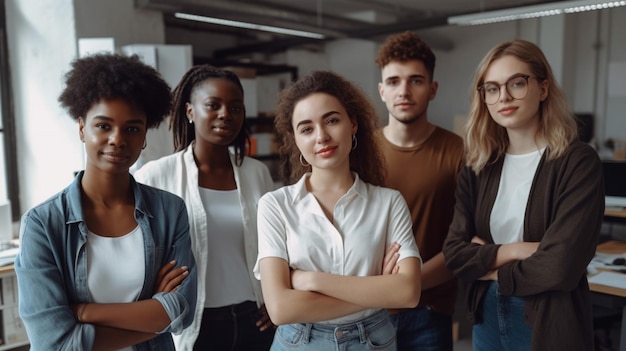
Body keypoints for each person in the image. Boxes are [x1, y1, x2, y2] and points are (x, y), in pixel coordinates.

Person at [14, 53, 197, 350]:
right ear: (82, 128)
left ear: (144, 137)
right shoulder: (43, 224)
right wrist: (153, 315)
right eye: (103, 126)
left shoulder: (169, 211)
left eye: (132, 128)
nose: (117, 139)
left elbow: (181, 310)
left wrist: (84, 313)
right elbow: (54, 341)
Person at [442, 39, 605, 350]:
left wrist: (488, 267)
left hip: (547, 316)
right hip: (486, 313)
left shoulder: (577, 162)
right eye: (491, 88)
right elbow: (454, 252)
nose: (503, 96)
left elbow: (560, 266)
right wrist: (518, 249)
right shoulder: (478, 164)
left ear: (543, 89)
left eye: (516, 83)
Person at [254, 70, 422, 350]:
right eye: (306, 128)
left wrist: (310, 279)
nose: (321, 136)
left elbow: (408, 292)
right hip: (299, 342)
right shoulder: (275, 206)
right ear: (295, 139)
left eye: (331, 120)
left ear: (353, 124)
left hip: (373, 341)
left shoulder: (389, 203)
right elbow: (281, 309)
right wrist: (380, 291)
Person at [134, 64, 275, 351]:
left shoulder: (256, 173)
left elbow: (277, 246)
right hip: (196, 324)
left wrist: (276, 301)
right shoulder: (156, 176)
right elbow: (134, 250)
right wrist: (152, 292)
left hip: (255, 319)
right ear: (189, 111)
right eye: (213, 105)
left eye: (235, 108)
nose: (226, 114)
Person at [375, 31, 464, 350]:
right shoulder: (359, 153)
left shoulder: (458, 152)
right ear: (382, 91)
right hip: (367, 311)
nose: (404, 91)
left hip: (429, 311)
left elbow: (466, 240)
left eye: (416, 80)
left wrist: (405, 285)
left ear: (433, 89)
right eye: (394, 81)